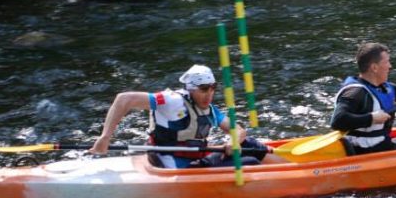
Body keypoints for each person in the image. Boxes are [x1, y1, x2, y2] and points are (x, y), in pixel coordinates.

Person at [89, 64, 268, 169]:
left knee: (251, 145)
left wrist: (234, 141)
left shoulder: (209, 109)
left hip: (195, 159)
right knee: (250, 161)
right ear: (190, 89)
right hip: (174, 164)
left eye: (213, 88)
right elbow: (124, 99)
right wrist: (105, 137)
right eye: (204, 89)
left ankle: (293, 169)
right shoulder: (171, 101)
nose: (210, 94)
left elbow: (237, 129)